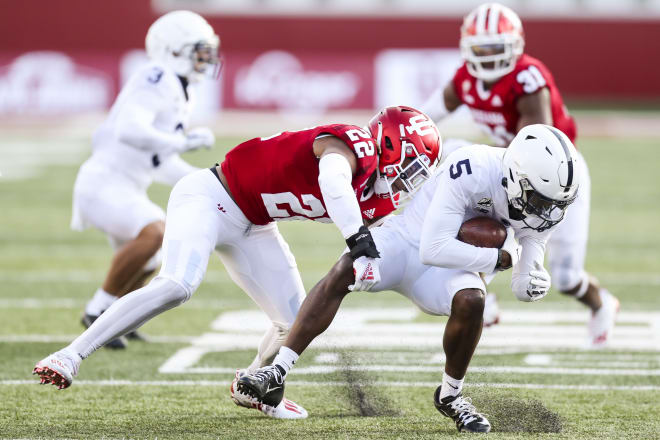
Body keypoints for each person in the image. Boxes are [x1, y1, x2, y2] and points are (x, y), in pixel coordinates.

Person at [33, 106, 442, 420]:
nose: (411, 178)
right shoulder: (353, 143)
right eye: (412, 164)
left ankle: (252, 386)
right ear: (390, 144)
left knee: (295, 321)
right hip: (210, 197)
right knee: (179, 284)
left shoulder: (381, 196)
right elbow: (334, 183)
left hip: (256, 225)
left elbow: (383, 243)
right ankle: (71, 355)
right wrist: (358, 240)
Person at [236, 124, 580, 433]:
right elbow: (433, 248)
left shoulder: (547, 205)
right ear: (517, 174)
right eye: (538, 198)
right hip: (407, 241)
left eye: (552, 203)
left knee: (472, 300)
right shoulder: (473, 167)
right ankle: (276, 372)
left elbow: (527, 259)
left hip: (447, 267)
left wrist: (530, 277)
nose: (545, 210)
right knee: (345, 269)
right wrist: (502, 257)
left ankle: (451, 396)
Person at [420, 2, 618, 347]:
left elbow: (535, 148)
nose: (489, 56)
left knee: (567, 277)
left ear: (515, 45)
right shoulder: (464, 79)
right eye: (482, 48)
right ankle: (481, 296)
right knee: (449, 150)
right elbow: (423, 119)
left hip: (554, 179)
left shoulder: (529, 79)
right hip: (513, 175)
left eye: (497, 47)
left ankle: (602, 304)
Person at [71, 10, 219, 348]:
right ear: (175, 50)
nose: (206, 58)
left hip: (126, 185)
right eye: (199, 50)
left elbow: (160, 162)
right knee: (156, 231)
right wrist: (182, 141)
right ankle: (98, 310)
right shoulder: (157, 75)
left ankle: (119, 317)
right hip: (103, 184)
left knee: (156, 254)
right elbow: (130, 130)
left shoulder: (182, 90)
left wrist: (208, 180)